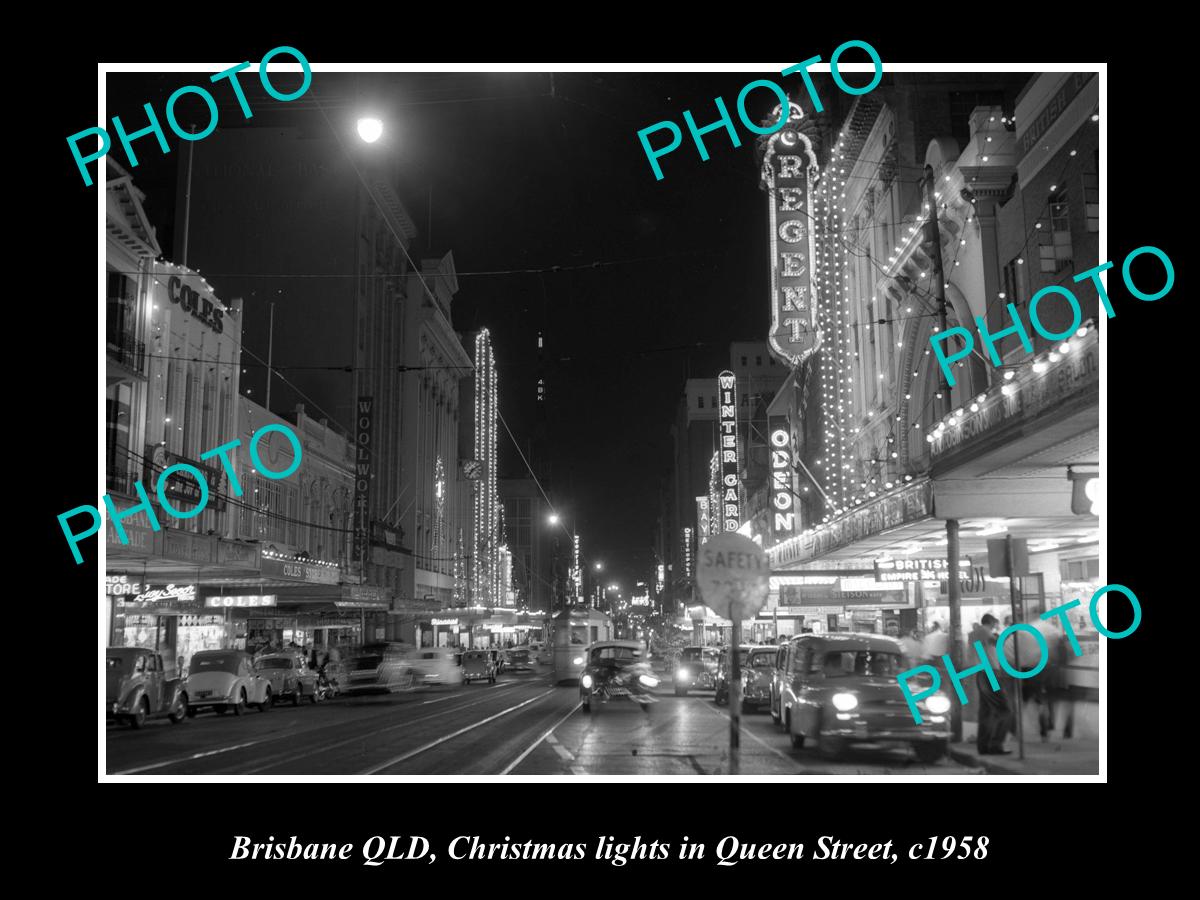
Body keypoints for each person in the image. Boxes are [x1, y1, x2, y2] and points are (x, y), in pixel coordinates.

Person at [969, 614, 1011, 755]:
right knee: (1004, 710)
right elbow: (998, 643)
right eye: (994, 623)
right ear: (990, 622)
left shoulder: (974, 634)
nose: (995, 626)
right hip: (990, 673)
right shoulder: (984, 631)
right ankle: (995, 744)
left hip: (981, 672)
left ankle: (983, 746)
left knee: (986, 711)